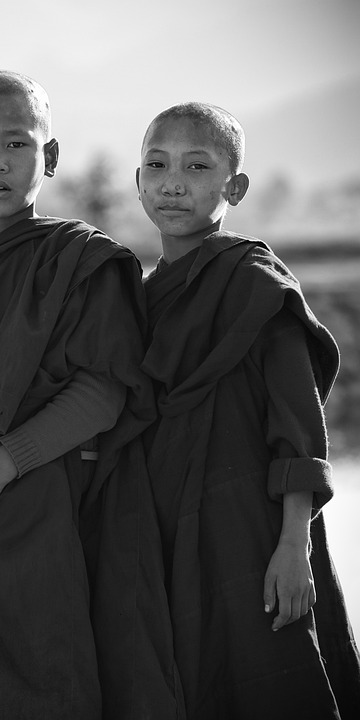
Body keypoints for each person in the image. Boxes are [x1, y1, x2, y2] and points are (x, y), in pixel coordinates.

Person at [0, 70, 179, 720]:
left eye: (17, 144)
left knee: (62, 677)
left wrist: (0, 466)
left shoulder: (81, 259)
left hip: (57, 513)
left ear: (48, 157)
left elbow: (104, 390)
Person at [137, 101, 360, 719]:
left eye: (196, 166)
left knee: (272, 676)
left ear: (234, 186)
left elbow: (298, 426)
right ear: (138, 181)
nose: (172, 182)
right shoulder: (138, 297)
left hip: (257, 531)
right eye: (156, 165)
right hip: (170, 533)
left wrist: (296, 547)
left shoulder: (254, 283)